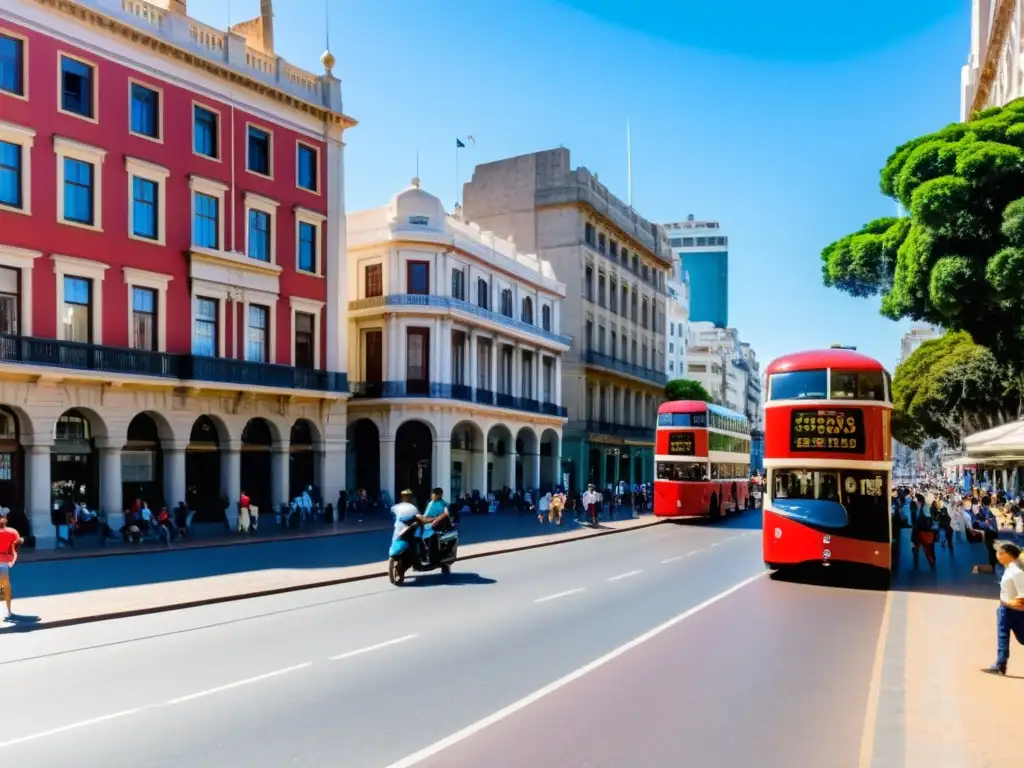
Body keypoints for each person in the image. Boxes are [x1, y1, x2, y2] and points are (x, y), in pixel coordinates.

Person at [986, 541, 1024, 675]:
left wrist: (1009, 604)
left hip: (1015, 611)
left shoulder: (1017, 571)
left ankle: (1001, 663)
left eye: (1001, 553)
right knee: (1002, 635)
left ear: (1010, 555)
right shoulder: (1009, 568)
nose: (998, 556)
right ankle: (1001, 663)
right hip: (1005, 609)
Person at [0, 511, 23, 620]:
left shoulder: (11, 532)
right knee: (5, 586)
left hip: (3, 562)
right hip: (4, 562)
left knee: (3, 587)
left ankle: (8, 611)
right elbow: (18, 543)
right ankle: (8, 611)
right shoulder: (12, 532)